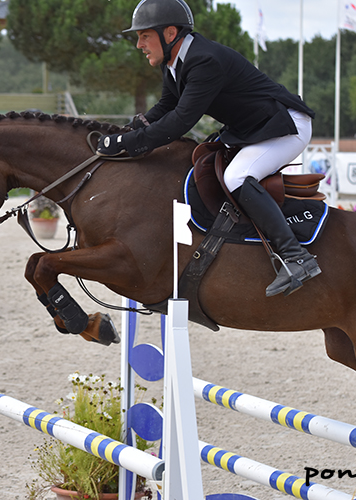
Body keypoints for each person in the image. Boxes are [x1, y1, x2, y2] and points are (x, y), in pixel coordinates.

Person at [95, 0, 320, 297]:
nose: (139, 44)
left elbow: (180, 121)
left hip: (285, 127)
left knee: (237, 177)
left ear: (170, 33)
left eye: (144, 36)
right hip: (253, 130)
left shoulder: (204, 61)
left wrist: (127, 144)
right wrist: (130, 129)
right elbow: (167, 105)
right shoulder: (175, 63)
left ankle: (296, 258)